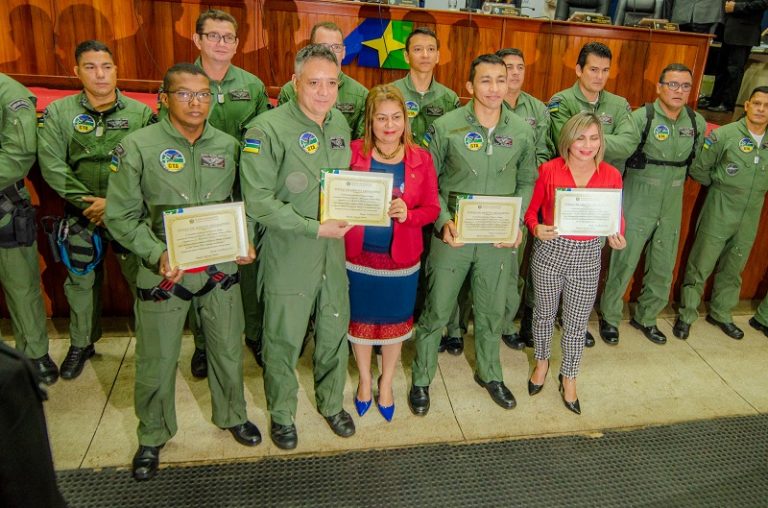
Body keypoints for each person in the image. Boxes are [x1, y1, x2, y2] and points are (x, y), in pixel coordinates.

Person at [105, 63, 261, 481]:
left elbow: (243, 202)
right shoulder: (137, 146)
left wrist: (246, 239)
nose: (196, 103)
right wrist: (155, 254)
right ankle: (153, 434)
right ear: (164, 97)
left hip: (218, 269)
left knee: (228, 351)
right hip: (164, 273)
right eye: (186, 94)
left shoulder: (229, 145)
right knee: (156, 361)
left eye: (204, 95)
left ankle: (232, 415)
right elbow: (121, 216)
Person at [241, 45, 356, 450]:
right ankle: (283, 414)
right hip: (289, 250)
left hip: (333, 253)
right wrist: (313, 228)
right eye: (314, 83)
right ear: (294, 83)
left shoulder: (340, 123)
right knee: (283, 338)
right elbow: (257, 202)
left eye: (331, 83)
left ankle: (330, 404)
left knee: (333, 329)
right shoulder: (265, 129)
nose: (324, 92)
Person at [408, 54, 536, 415]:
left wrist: (517, 222)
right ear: (469, 87)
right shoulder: (446, 127)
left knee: (493, 311)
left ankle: (490, 373)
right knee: (437, 309)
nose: (495, 88)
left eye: (501, 79)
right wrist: (443, 220)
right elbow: (427, 181)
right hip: (454, 237)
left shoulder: (522, 131)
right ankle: (421, 378)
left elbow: (527, 180)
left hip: (497, 239)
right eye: (485, 80)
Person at [37, 40, 153, 381]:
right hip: (81, 211)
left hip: (129, 212)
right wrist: (88, 203)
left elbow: (147, 165)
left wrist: (115, 205)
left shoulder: (140, 113)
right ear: (76, 72)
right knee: (81, 281)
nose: (100, 74)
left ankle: (152, 343)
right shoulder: (59, 113)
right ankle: (81, 343)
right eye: (90, 67)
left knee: (142, 279)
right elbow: (52, 166)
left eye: (106, 66)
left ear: (116, 70)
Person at [531, 41, 637, 347]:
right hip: (560, 195)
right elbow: (564, 138)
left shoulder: (619, 104)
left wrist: (591, 146)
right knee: (543, 300)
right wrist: (597, 142)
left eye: (605, 70)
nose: (599, 76)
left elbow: (628, 143)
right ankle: (538, 333)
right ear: (579, 69)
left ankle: (573, 325)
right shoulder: (561, 101)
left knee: (579, 301)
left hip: (596, 201)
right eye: (593, 69)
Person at [184, 9, 270, 377]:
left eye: (228, 37)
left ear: (237, 44)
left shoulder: (252, 86)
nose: (221, 43)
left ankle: (253, 334)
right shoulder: (179, 82)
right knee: (202, 268)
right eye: (214, 36)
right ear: (198, 40)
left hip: (243, 191)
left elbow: (262, 141)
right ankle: (204, 344)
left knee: (248, 266)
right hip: (199, 193)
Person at [346, 85, 439, 422]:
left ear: (406, 120)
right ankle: (365, 382)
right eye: (381, 118)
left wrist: (408, 213)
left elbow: (432, 208)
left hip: (401, 260)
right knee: (361, 323)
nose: (389, 125)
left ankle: (386, 382)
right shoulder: (353, 153)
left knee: (393, 326)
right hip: (358, 257)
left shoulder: (421, 158)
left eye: (396, 118)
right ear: (370, 122)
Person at [525, 112, 626, 415]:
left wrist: (618, 232)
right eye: (581, 138)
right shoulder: (549, 170)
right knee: (543, 315)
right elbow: (531, 213)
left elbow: (615, 215)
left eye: (594, 138)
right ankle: (541, 364)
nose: (587, 145)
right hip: (550, 252)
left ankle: (569, 376)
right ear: (568, 139)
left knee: (576, 323)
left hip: (588, 256)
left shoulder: (610, 174)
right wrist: (534, 227)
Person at [599, 64, 706, 346]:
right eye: (672, 84)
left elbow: (697, 163)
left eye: (684, 86)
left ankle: (647, 316)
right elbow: (620, 150)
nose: (678, 91)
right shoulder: (641, 118)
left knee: (663, 262)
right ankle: (610, 317)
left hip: (672, 200)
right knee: (625, 259)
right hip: (638, 196)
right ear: (659, 87)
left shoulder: (696, 123)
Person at [674, 86, 768, 341]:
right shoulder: (725, 135)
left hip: (751, 213)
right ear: (747, 105)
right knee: (701, 262)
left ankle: (721, 312)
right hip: (720, 206)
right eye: (757, 103)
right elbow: (699, 169)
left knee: (734, 264)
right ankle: (687, 315)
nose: (761, 109)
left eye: (766, 106)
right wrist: (722, 183)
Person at [391, 26, 463, 354]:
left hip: (432, 191)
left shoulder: (449, 98)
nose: (424, 55)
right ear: (406, 56)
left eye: (430, 49)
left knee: (432, 261)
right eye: (417, 49)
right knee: (399, 257)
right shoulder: (388, 92)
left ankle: (431, 321)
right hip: (397, 191)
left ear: (438, 55)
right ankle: (396, 320)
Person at [496, 47, 554, 351]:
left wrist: (526, 171)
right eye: (508, 66)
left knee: (512, 262)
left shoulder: (538, 109)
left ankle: (506, 323)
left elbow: (544, 152)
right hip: (488, 192)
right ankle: (457, 325)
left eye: (520, 66)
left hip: (521, 193)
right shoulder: (485, 102)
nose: (515, 72)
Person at [0, 74, 54, 384]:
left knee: (21, 284)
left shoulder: (10, 93)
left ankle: (35, 355)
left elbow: (17, 157)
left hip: (4, 206)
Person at [278, 22, 368, 139]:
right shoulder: (290, 90)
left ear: (344, 52)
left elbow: (361, 145)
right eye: (323, 47)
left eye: (336, 47)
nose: (330, 52)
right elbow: (281, 137)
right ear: (310, 50)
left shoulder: (361, 95)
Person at [705, 1, 768, 113]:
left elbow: (763, 3)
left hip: (743, 32)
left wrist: (736, 7)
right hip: (726, 29)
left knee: (734, 70)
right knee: (721, 69)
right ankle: (714, 100)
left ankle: (727, 104)